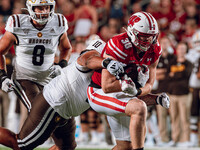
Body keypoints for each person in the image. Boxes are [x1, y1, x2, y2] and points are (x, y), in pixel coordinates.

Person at [0, 37, 170, 150]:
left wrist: (155, 98)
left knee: (66, 148)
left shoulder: (121, 65)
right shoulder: (102, 55)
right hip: (55, 102)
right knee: (20, 143)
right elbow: (87, 59)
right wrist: (105, 62)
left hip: (69, 110)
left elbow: (130, 98)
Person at [87, 11, 166, 150]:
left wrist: (138, 90)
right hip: (99, 91)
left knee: (124, 148)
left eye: (152, 37)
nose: (149, 42)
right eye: (144, 37)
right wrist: (131, 85)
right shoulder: (118, 44)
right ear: (132, 32)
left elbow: (149, 84)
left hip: (125, 94)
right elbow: (107, 86)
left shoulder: (155, 48)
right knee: (139, 107)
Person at [0, 0, 71, 129]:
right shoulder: (18, 23)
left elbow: (66, 48)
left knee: (62, 115)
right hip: (24, 77)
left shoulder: (58, 22)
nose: (44, 12)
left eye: (47, 8)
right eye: (40, 8)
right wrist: (2, 76)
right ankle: (21, 143)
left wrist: (62, 64)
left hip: (48, 77)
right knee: (39, 111)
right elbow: (0, 51)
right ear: (31, 8)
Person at [185, 30, 200, 147]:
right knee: (193, 113)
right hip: (193, 88)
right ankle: (194, 139)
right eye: (197, 42)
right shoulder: (190, 54)